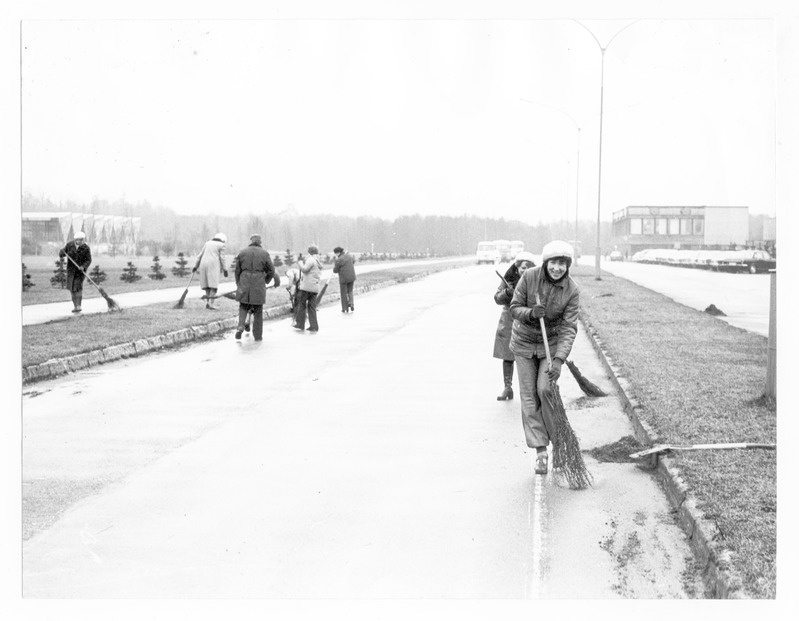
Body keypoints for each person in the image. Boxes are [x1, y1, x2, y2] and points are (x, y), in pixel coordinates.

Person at [509, 240, 580, 476]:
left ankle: (560, 443)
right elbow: (514, 307)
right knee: (529, 397)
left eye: (562, 263)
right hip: (523, 343)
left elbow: (569, 328)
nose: (557, 268)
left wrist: (559, 360)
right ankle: (541, 450)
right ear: (546, 263)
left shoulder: (572, 290)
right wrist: (530, 313)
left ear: (567, 266)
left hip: (550, 344)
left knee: (546, 390)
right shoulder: (529, 277)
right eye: (553, 263)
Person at [493, 251, 536, 400]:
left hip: (527, 321)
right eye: (523, 267)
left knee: (527, 356)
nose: (525, 270)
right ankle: (507, 388)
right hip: (509, 320)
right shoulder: (509, 280)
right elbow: (497, 298)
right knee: (507, 354)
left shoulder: (535, 280)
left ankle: (530, 391)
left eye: (528, 267)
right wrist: (507, 292)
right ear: (517, 267)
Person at [234, 234, 278, 341]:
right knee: (258, 310)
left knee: (243, 306)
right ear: (260, 242)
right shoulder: (265, 253)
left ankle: (240, 327)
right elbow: (271, 271)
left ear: (251, 241)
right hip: (258, 283)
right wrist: (266, 280)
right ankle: (257, 335)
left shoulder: (243, 252)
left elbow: (237, 271)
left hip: (244, 282)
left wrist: (238, 283)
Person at [58, 231, 92, 313]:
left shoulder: (86, 248)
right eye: (79, 240)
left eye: (82, 240)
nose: (80, 242)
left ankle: (79, 306)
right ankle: (75, 306)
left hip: (80, 272)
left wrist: (83, 267)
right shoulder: (69, 245)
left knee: (77, 287)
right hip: (71, 271)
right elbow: (62, 254)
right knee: (71, 288)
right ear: (76, 240)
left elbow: (88, 260)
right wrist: (61, 252)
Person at [193, 233, 228, 310]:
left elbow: (199, 256)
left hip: (203, 265)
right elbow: (222, 258)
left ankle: (208, 303)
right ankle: (211, 304)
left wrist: (195, 266)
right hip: (213, 265)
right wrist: (225, 269)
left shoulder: (207, 243)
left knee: (207, 285)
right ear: (223, 240)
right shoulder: (221, 245)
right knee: (213, 285)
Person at [294, 245, 322, 332]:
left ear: (309, 252)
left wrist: (300, 263)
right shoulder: (318, 260)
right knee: (312, 307)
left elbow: (305, 269)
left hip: (307, 287)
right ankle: (314, 326)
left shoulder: (311, 260)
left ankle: (300, 324)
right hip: (315, 287)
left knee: (302, 305)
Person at [332, 246, 357, 313]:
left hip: (344, 278)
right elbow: (353, 261)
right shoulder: (349, 256)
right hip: (352, 277)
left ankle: (345, 308)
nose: (335, 255)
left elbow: (335, 270)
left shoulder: (339, 260)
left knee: (343, 293)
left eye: (335, 253)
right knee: (350, 291)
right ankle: (351, 304)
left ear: (338, 253)